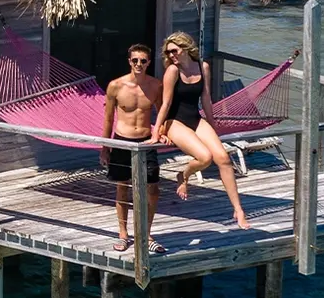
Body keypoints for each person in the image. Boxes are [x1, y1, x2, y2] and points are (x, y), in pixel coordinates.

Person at [152, 31, 251, 230]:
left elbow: (205, 98)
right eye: (168, 52)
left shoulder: (202, 67)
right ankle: (184, 175)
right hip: (174, 121)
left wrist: (212, 125)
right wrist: (157, 133)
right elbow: (166, 103)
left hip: (195, 118)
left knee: (223, 158)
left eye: (175, 51)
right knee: (205, 157)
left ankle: (238, 210)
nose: (171, 55)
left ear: (186, 48)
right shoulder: (172, 71)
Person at [100, 43, 164, 253]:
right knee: (123, 188)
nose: (139, 64)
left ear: (148, 62)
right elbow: (108, 118)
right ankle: (123, 233)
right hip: (122, 141)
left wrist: (161, 133)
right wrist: (105, 147)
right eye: (135, 60)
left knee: (152, 189)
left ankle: (145, 234)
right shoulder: (116, 86)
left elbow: (162, 114)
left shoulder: (156, 86)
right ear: (129, 61)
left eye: (143, 61)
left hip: (146, 142)